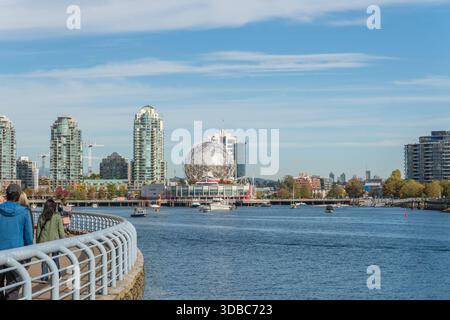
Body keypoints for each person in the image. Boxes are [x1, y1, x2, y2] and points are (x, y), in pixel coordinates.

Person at [0, 184, 34, 300]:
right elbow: (29, 237)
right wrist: (28, 258)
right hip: (17, 255)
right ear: (19, 196)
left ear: (7, 195)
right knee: (13, 289)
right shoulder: (24, 212)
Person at [36, 199, 65, 282]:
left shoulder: (42, 216)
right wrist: (63, 240)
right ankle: (57, 275)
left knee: (44, 260)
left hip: (43, 241)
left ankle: (45, 277)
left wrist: (37, 242)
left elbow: (38, 230)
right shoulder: (57, 216)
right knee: (55, 258)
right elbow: (61, 231)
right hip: (55, 241)